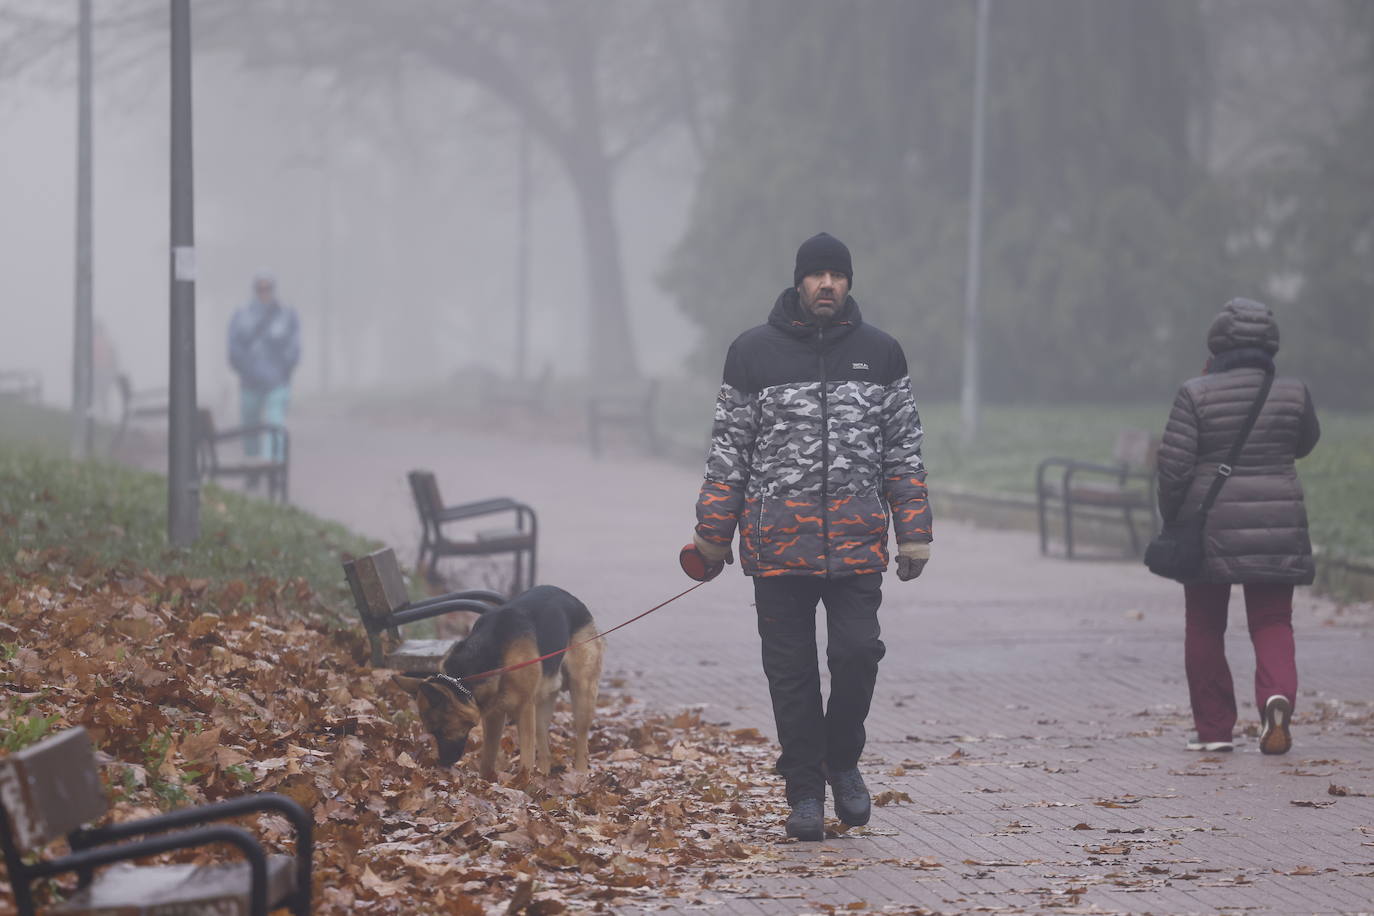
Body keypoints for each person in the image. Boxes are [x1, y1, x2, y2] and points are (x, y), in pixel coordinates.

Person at [682, 232, 932, 840]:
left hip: (857, 547)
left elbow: (903, 450)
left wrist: (915, 533)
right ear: (799, 282)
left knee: (856, 656)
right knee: (790, 677)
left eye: (837, 276)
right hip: (777, 552)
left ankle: (842, 761)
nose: (827, 284)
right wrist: (713, 538)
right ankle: (803, 794)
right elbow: (729, 453)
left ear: (849, 283)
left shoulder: (883, 353)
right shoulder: (751, 354)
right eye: (816, 275)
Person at [1156, 298, 1320, 756]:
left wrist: (1174, 521)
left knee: (1205, 624)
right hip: (1279, 521)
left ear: (1217, 343)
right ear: (1270, 344)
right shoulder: (1293, 392)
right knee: (1272, 621)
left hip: (1207, 527)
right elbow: (1304, 442)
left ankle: (1213, 731)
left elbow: (1173, 469)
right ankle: (1276, 698)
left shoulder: (1196, 392)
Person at [228, 272, 300, 462]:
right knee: (250, 426)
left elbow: (294, 345)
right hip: (249, 382)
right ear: (255, 289)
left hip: (277, 381)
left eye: (268, 288)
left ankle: (273, 464)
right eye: (260, 288)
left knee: (275, 423)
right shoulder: (242, 314)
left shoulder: (286, 314)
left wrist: (285, 368)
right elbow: (234, 347)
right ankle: (253, 463)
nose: (264, 292)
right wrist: (244, 368)